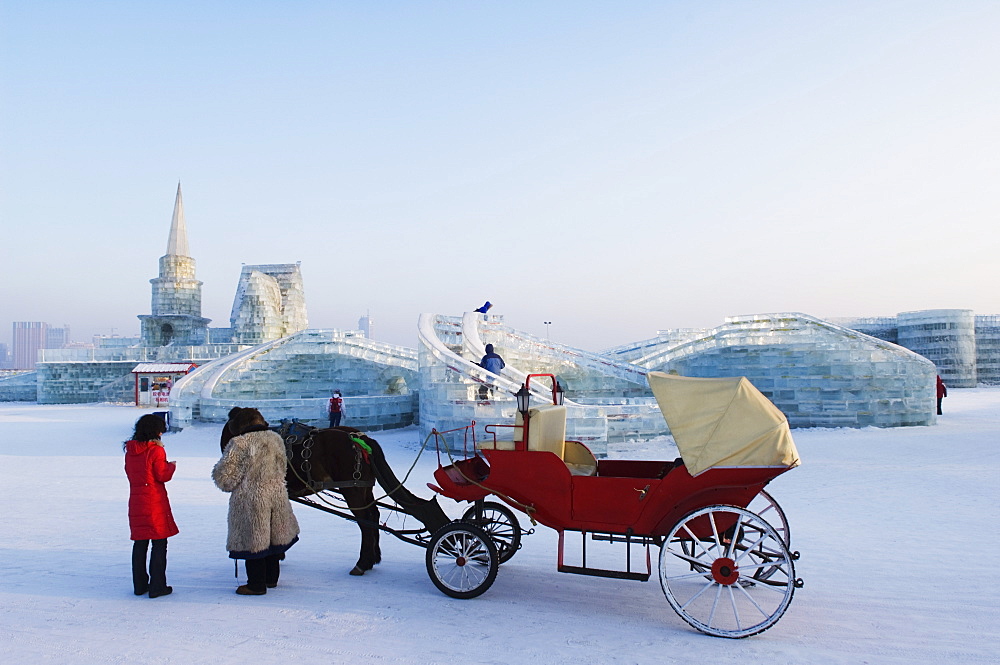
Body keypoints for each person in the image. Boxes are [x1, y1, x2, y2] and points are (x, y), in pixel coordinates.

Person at [213, 407, 299, 595]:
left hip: (251, 500)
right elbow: (283, 467)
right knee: (273, 537)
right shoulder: (276, 439)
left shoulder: (240, 443)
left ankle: (256, 584)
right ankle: (271, 579)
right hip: (276, 496)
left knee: (254, 541)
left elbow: (226, 479)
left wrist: (220, 475)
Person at [124, 413, 178, 598]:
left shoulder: (131, 450)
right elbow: (162, 475)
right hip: (154, 501)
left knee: (140, 543)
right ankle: (158, 585)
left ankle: (139, 585)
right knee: (159, 542)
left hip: (136, 501)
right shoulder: (156, 450)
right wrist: (171, 465)